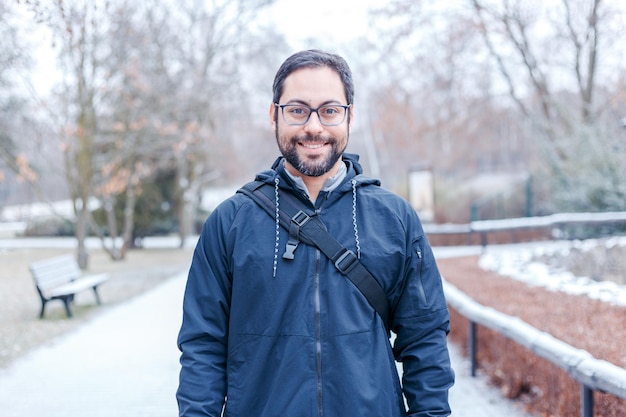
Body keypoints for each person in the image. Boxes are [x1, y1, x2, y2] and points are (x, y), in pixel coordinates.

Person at [176, 49, 454, 416]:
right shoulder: (230, 222)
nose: (313, 126)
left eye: (329, 110)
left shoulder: (395, 219)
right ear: (273, 115)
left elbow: (425, 339)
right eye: (297, 109)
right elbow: (203, 347)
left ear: (349, 116)